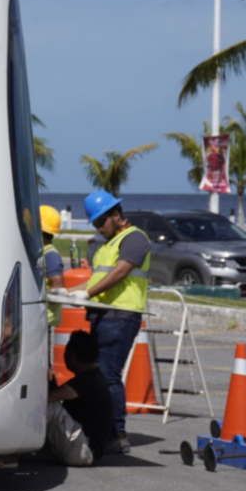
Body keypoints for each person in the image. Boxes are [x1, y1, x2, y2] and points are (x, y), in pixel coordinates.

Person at [68, 190, 150, 454]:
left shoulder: (135, 238)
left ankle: (117, 432)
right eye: (95, 224)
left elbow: (122, 271)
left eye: (101, 222)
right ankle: (103, 427)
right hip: (104, 315)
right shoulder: (106, 246)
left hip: (121, 315)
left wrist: (87, 294)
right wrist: (68, 293)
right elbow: (96, 281)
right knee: (98, 373)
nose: (99, 228)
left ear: (117, 215)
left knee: (108, 375)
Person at [46, 330, 113, 465]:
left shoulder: (88, 381)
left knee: (48, 405)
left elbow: (51, 396)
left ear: (72, 356)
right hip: (83, 447)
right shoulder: (94, 377)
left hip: (84, 450)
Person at [40, 205, 65, 327]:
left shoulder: (50, 255)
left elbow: (58, 287)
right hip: (40, 316)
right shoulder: (43, 252)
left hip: (46, 318)